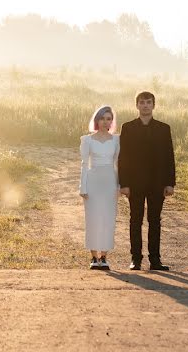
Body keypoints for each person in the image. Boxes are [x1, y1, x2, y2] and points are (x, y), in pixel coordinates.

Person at [118, 91, 175, 271]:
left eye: (148, 102)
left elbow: (169, 157)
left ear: (153, 105)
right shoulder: (127, 128)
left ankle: (155, 260)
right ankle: (136, 259)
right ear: (137, 105)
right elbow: (123, 157)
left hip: (157, 183)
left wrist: (170, 183)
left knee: (154, 221)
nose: (145, 105)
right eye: (142, 102)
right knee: (135, 220)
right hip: (134, 183)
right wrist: (124, 183)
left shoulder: (163, 128)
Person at [78, 105, 120, 270]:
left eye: (108, 118)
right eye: (102, 118)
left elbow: (118, 163)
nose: (105, 121)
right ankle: (94, 257)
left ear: (112, 121)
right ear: (97, 120)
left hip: (110, 181)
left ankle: (104, 256)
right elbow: (83, 164)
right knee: (93, 219)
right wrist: (83, 186)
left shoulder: (117, 140)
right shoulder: (87, 140)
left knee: (108, 219)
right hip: (93, 180)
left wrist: (119, 185)